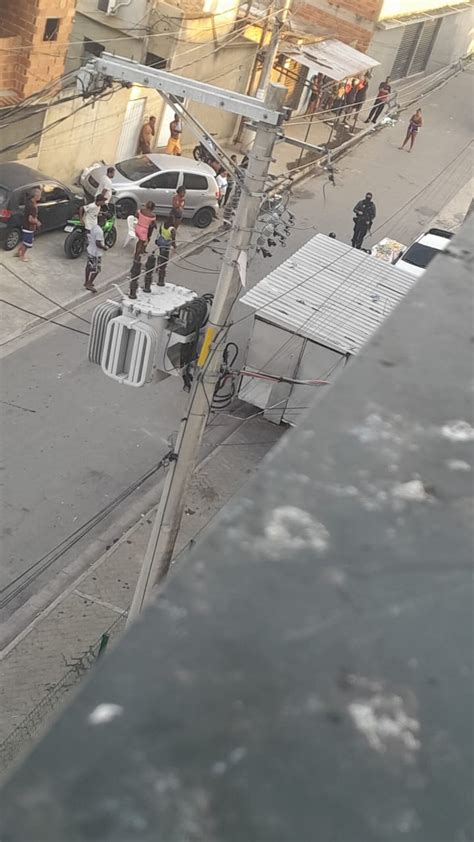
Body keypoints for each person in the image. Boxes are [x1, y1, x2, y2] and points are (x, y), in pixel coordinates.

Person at [16, 187, 42, 261]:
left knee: (24, 240)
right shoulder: (32, 206)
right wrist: (37, 222)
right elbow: (30, 219)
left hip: (24, 225)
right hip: (29, 227)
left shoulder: (29, 202)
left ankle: (18, 252)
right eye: (39, 195)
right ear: (35, 196)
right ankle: (22, 256)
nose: (40, 197)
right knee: (27, 243)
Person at [85, 221, 107, 293]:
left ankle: (86, 281)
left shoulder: (94, 227)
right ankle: (89, 284)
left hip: (91, 250)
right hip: (96, 253)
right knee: (97, 270)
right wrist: (104, 247)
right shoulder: (100, 231)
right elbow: (98, 243)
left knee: (89, 266)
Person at [155, 215, 176, 285]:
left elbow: (160, 232)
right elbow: (173, 239)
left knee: (160, 253)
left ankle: (157, 266)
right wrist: (174, 246)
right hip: (166, 243)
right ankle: (162, 269)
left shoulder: (162, 224)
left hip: (161, 241)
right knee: (165, 257)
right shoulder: (172, 229)